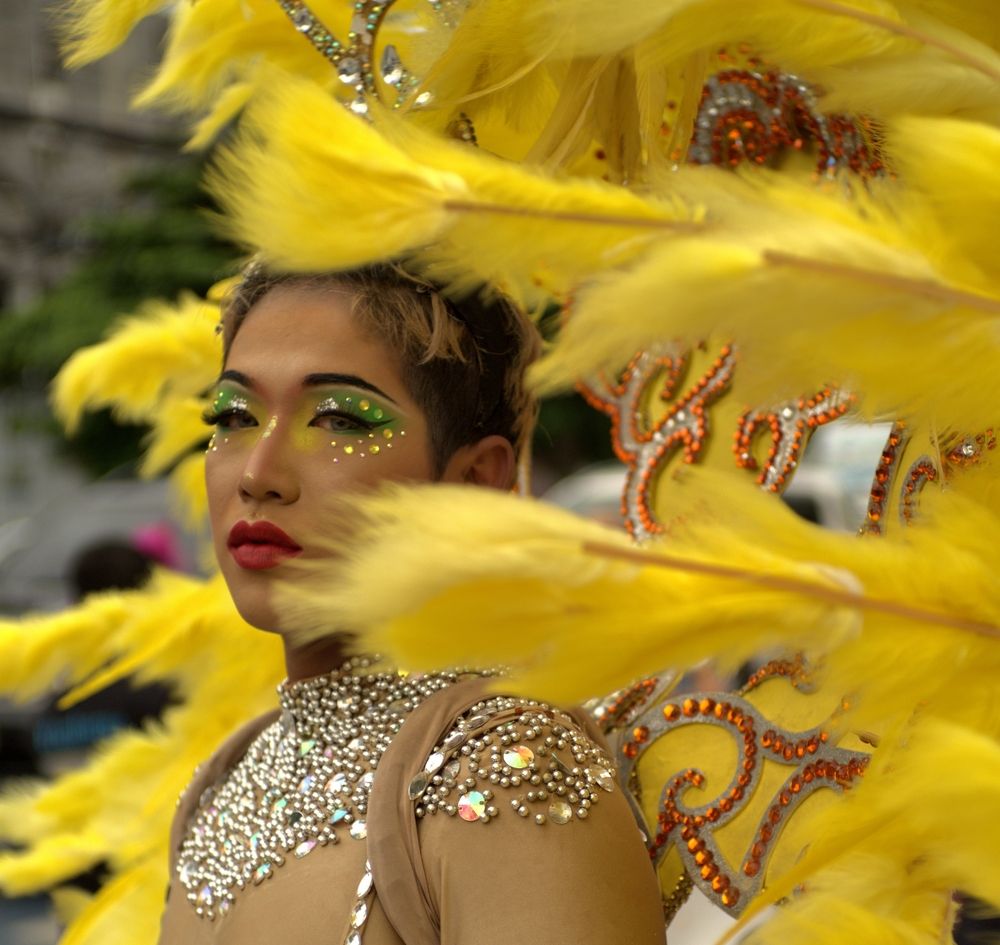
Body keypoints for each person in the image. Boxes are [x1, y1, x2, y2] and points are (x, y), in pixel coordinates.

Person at [157, 262, 665, 944]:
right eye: (234, 415)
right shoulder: (225, 783)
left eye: (338, 418)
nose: (258, 474)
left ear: (474, 481)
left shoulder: (504, 775)